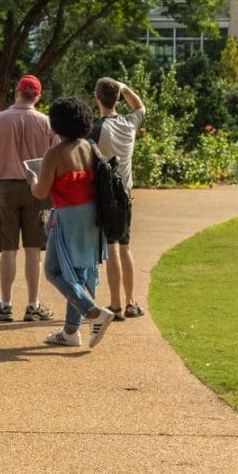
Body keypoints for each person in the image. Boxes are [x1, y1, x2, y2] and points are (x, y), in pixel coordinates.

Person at [27, 96, 117, 349]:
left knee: (55, 271)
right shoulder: (89, 146)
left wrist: (31, 180)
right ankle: (70, 331)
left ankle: (92, 312)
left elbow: (41, 192)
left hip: (67, 217)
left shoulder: (54, 154)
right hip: (91, 216)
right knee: (79, 273)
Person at [0, 74, 56, 323]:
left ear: (16, 93)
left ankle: (6, 304)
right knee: (34, 249)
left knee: (7, 249)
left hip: (6, 187)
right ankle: (33, 304)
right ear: (38, 96)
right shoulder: (45, 123)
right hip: (36, 187)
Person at [91, 77, 146, 319]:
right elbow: (140, 107)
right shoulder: (129, 124)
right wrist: (124, 87)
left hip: (106, 193)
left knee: (112, 246)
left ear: (97, 99)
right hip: (126, 192)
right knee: (125, 247)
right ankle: (131, 302)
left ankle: (115, 304)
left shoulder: (97, 129)